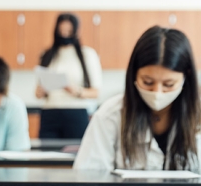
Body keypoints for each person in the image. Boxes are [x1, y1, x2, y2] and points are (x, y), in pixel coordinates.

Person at [73, 26, 201, 171]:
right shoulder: (110, 115)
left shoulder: (198, 115)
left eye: (168, 84)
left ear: (187, 77)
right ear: (133, 74)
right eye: (147, 82)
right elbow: (89, 178)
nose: (157, 92)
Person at [35, 13, 102, 139]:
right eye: (61, 31)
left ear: (76, 31)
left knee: (75, 153)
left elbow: (96, 92)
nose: (65, 34)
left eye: (69, 31)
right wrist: (42, 91)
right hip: (50, 113)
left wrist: (76, 91)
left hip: (76, 113)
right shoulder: (46, 55)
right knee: (47, 154)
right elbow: (37, 93)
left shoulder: (87, 54)